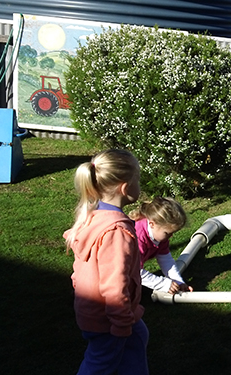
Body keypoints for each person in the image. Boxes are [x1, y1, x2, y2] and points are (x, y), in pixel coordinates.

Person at [64, 149, 149, 375]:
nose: (139, 184)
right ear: (125, 187)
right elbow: (114, 285)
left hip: (92, 310)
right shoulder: (116, 231)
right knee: (100, 364)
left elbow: (79, 268)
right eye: (137, 179)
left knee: (139, 336)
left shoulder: (93, 217)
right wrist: (121, 324)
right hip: (108, 318)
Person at [128, 197, 193, 297]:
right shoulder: (137, 237)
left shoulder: (160, 237)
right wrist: (163, 284)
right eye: (167, 233)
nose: (171, 237)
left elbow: (166, 260)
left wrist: (178, 282)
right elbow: (134, 270)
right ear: (152, 224)